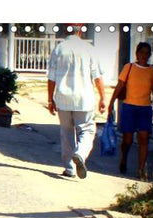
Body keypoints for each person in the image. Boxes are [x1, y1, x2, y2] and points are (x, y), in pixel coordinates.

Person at [46, 25, 106, 179]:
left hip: (63, 98)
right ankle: (80, 153)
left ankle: (70, 168)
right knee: (87, 130)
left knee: (66, 132)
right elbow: (97, 76)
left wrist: (50, 99)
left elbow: (51, 77)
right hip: (84, 99)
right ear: (79, 32)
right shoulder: (89, 49)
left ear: (65, 32)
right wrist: (103, 97)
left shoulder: (58, 50)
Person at [108, 42, 153, 180]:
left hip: (144, 108)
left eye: (147, 53)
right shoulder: (129, 67)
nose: (144, 55)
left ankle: (140, 170)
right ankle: (124, 158)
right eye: (142, 52)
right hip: (129, 107)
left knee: (143, 138)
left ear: (149, 55)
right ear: (137, 53)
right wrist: (111, 102)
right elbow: (120, 85)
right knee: (127, 140)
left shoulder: (151, 71)